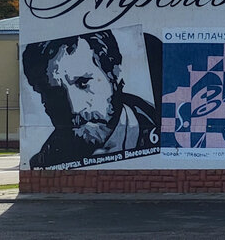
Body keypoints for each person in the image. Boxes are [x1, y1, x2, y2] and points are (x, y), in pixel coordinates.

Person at [22, 30, 158, 169]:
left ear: (115, 73)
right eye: (55, 92)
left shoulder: (161, 130)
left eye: (83, 83)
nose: (74, 108)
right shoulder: (42, 163)